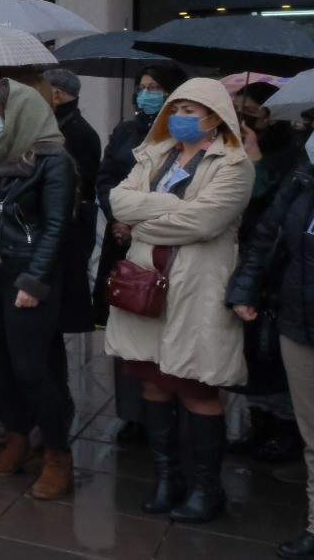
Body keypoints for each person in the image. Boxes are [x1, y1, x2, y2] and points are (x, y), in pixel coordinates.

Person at [106, 77, 252, 524]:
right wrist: (160, 210)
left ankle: (208, 489)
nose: (180, 117)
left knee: (196, 384)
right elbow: (117, 200)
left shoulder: (234, 164)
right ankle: (167, 478)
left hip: (198, 287)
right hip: (146, 282)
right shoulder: (156, 153)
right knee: (152, 380)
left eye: (192, 109)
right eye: (177, 108)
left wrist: (143, 217)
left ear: (214, 116)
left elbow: (205, 222)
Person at [0, 80, 77, 499]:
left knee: (31, 369)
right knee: (2, 365)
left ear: (22, 113)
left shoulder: (53, 160)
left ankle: (59, 455)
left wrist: (35, 280)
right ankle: (17, 439)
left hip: (26, 274)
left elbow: (57, 226)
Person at [226, 130, 314, 560]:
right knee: (312, 434)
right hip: (300, 322)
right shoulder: (303, 178)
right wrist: (245, 287)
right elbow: (266, 238)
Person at [96, 63, 186, 441]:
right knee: (129, 327)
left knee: (167, 330)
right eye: (141, 86)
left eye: (154, 87)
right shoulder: (125, 131)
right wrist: (117, 219)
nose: (146, 92)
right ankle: (133, 414)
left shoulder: (183, 137)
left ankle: (170, 416)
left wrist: (136, 223)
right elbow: (105, 179)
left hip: (163, 247)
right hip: (122, 244)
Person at [230, 80, 306, 462]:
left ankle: (285, 427)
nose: (240, 116)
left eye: (248, 110)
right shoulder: (233, 148)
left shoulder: (293, 158)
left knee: (276, 352)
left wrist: (254, 158)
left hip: (281, 274)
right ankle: (257, 421)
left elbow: (265, 204)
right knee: (252, 352)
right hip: (249, 264)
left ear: (269, 115)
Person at [42, 68, 100, 336]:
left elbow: (81, 186)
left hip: (69, 228)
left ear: (56, 94)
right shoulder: (50, 126)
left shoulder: (78, 133)